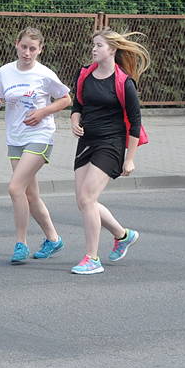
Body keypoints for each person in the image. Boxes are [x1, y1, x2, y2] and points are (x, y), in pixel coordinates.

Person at [70, 28, 150, 275]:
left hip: (111, 144)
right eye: (93, 45)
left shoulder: (124, 82)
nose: (94, 49)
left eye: (99, 46)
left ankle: (92, 258)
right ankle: (122, 235)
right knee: (84, 201)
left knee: (87, 198)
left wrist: (130, 159)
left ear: (112, 50)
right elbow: (78, 105)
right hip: (87, 142)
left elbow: (135, 123)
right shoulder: (85, 74)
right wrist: (74, 120)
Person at [0, 27, 71, 264]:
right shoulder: (3, 72)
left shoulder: (45, 74)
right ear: (17, 44)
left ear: (40, 50)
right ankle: (53, 239)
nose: (27, 52)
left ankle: (20, 243)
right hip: (15, 137)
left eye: (32, 49)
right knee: (31, 194)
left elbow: (66, 99)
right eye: (24, 47)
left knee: (15, 188)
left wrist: (43, 111)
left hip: (40, 136)